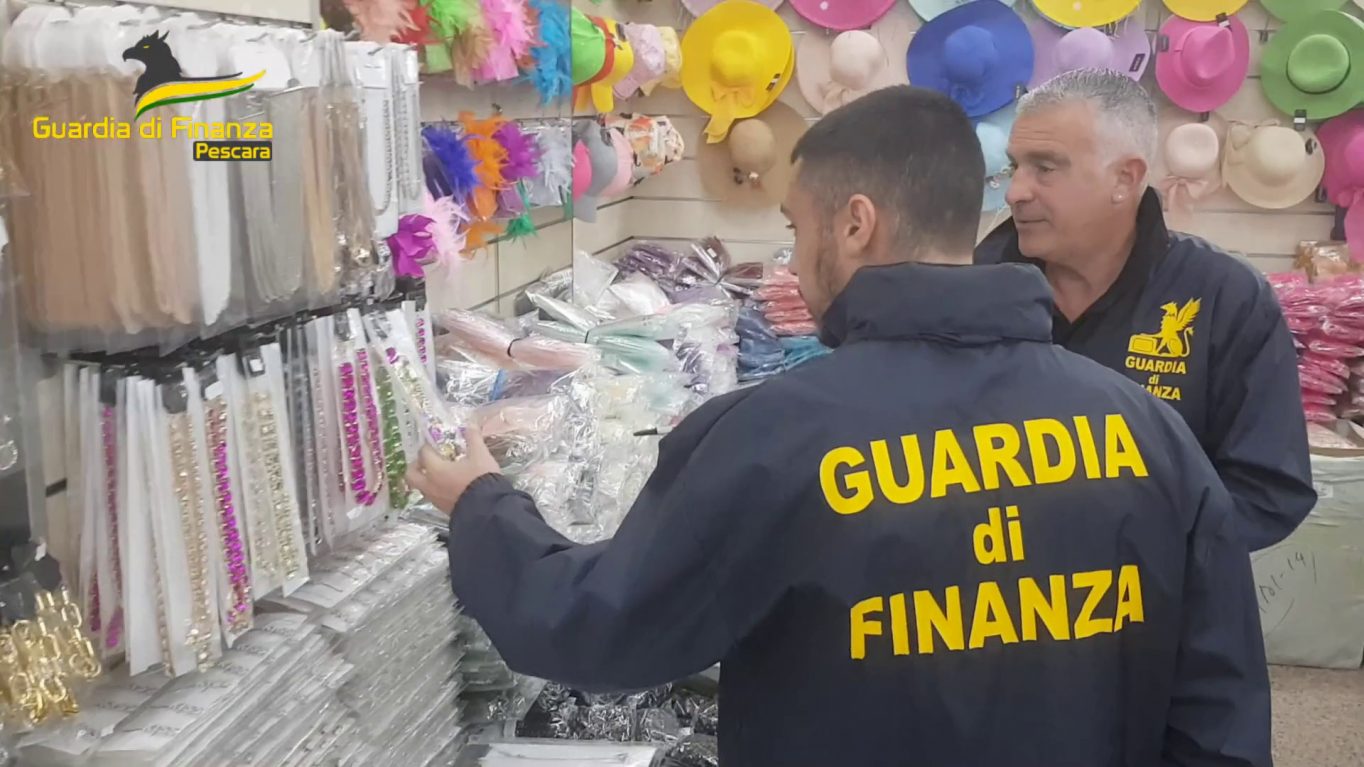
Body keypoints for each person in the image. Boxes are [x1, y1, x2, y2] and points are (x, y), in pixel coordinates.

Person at [408, 86, 1270, 766]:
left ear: (855, 223)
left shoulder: (771, 438)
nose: (792, 260)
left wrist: (484, 503)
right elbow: (1218, 701)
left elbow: (598, 627)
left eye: (796, 228)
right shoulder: (1145, 430)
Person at [977, 69, 1315, 551]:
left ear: (1125, 178)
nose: (1015, 192)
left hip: (1155, 594)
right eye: (1016, 167)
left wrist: (1123, 549)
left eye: (1045, 168)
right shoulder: (973, 290)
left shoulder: (1224, 297)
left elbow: (1267, 490)